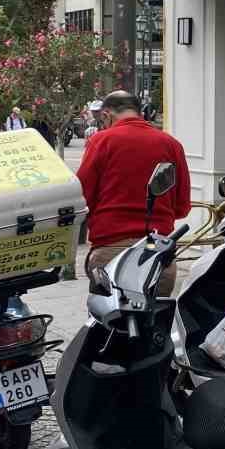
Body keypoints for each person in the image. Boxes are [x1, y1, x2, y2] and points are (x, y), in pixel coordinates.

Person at [77, 89, 191, 296]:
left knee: (106, 323)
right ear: (139, 112)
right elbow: (182, 206)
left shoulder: (101, 141)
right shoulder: (171, 144)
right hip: (157, 253)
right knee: (154, 323)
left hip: (111, 251)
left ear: (106, 115)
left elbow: (83, 196)